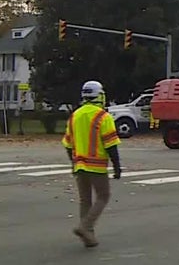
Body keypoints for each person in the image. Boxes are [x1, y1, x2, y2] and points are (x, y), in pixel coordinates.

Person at [62, 80, 122, 248]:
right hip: (97, 166)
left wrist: (73, 163)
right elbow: (111, 145)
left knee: (85, 200)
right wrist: (117, 167)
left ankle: (88, 236)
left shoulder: (75, 116)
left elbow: (68, 144)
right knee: (103, 196)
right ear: (99, 96)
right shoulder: (103, 116)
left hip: (79, 165)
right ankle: (85, 227)